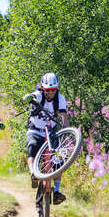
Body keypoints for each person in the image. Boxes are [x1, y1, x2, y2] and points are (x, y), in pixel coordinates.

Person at [22, 72, 69, 205]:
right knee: (32, 148)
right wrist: (28, 97)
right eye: (48, 90)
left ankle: (57, 191)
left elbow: (64, 117)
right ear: (43, 88)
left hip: (51, 132)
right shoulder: (38, 95)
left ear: (57, 88)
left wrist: (67, 133)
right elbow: (30, 96)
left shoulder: (60, 98)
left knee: (59, 160)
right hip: (36, 130)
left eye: (53, 89)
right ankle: (33, 174)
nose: (50, 92)